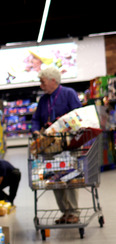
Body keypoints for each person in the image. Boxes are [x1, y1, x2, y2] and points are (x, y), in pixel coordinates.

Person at [32, 66, 83, 224]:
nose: (41, 85)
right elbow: (35, 119)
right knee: (55, 179)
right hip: (50, 146)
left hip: (68, 143)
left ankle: (73, 211)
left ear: (53, 81)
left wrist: (62, 125)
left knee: (70, 177)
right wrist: (35, 131)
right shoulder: (43, 100)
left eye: (43, 82)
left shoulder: (68, 93)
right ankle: (65, 212)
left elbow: (77, 116)